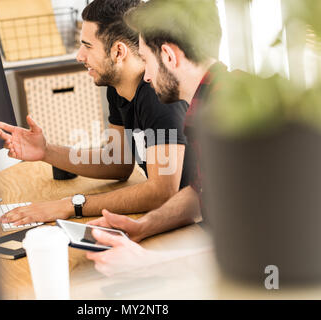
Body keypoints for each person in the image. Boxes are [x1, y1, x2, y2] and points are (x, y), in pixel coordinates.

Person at [0, 0, 195, 225]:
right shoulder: (120, 88)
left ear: (118, 51)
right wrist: (45, 151)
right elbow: (117, 162)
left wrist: (71, 205)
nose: (79, 56)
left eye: (87, 46)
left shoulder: (157, 95)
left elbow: (162, 192)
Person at [86, 0, 229, 275]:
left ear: (169, 56)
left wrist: (155, 262)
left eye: (146, 59)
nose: (147, 77)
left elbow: (252, 239)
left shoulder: (226, 116)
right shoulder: (206, 104)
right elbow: (199, 193)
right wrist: (143, 226)